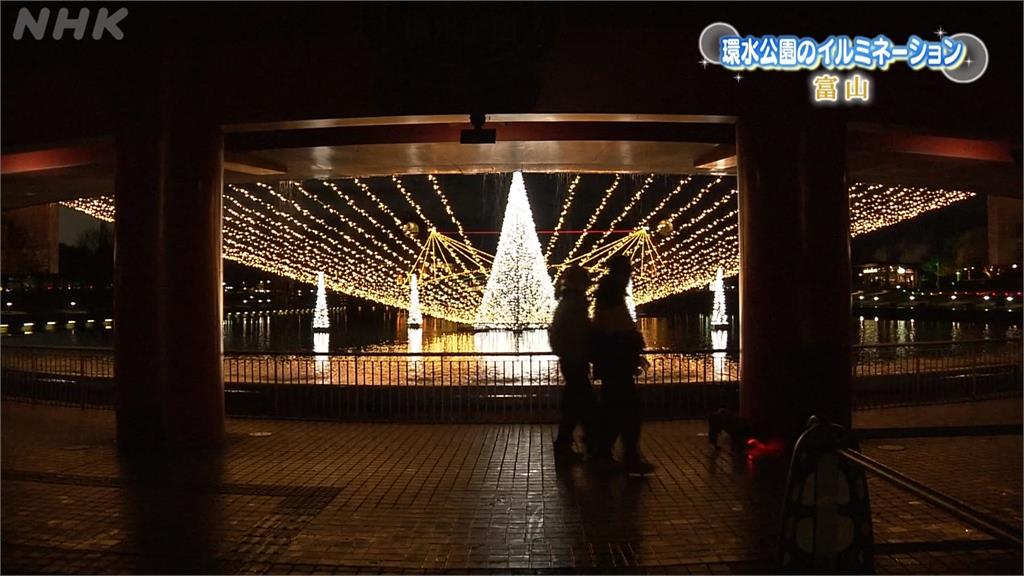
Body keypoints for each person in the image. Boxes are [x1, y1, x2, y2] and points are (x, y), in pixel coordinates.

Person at [592, 255, 654, 475]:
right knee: (627, 409)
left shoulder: (607, 297)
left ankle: (609, 452)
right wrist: (633, 343)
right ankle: (623, 455)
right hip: (617, 364)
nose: (630, 276)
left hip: (613, 364)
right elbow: (618, 330)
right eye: (628, 271)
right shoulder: (613, 298)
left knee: (615, 409)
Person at [548, 265, 598, 461]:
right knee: (580, 402)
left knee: (579, 402)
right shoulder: (574, 304)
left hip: (572, 358)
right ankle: (579, 442)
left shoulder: (567, 302)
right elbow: (578, 332)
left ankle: (587, 439)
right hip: (575, 359)